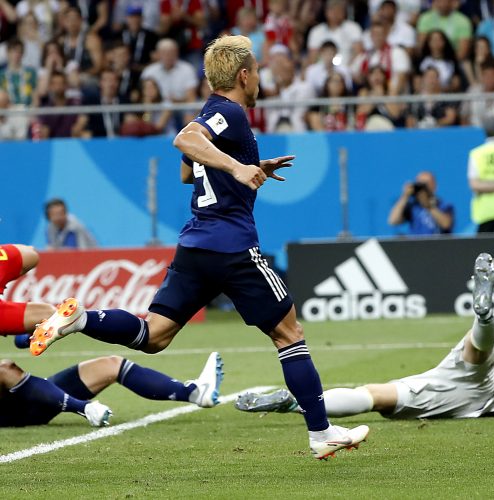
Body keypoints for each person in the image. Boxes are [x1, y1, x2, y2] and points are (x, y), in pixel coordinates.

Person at [29, 35, 369, 460]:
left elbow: (188, 175)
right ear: (244, 75)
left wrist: (250, 166)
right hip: (232, 246)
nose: (260, 78)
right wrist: (237, 167)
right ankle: (321, 434)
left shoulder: (215, 113)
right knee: (289, 334)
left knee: (154, 335)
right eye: (257, 71)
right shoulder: (230, 111)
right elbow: (185, 142)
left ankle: (82, 319)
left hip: (197, 243)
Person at [237, 253, 494, 420]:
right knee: (477, 352)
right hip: (480, 401)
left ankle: (485, 319)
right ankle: (485, 318)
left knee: (374, 397)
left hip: (464, 394)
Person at [0, 351, 222, 427]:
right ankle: (84, 408)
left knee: (110, 365)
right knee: (4, 369)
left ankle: (192, 392)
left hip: (24, 397)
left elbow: (27, 257)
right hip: (11, 408)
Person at [388, 171, 454, 235]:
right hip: (416, 244)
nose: (422, 188)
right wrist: (405, 196)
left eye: (425, 184)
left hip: (437, 244)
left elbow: (446, 224)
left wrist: (428, 206)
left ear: (434, 185)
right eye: (419, 184)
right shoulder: (413, 206)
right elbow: (393, 221)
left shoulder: (443, 205)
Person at [468, 110, 494, 234]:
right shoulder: (477, 154)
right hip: (486, 214)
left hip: (486, 212)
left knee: (486, 251)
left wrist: (493, 186)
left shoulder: (477, 154)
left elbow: (474, 185)